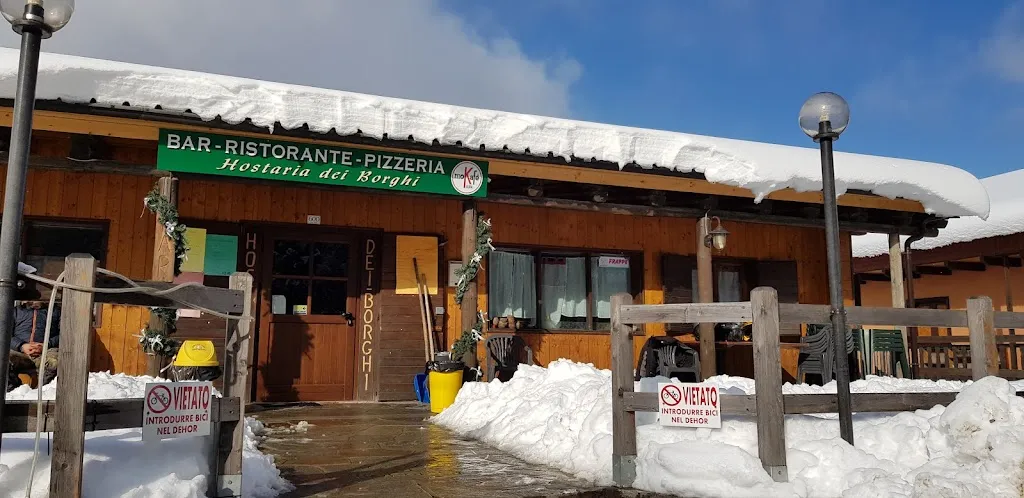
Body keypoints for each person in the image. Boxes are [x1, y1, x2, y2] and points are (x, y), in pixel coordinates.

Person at [8, 301, 61, 386]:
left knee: (56, 361)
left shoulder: (56, 311)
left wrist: (46, 345)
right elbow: (5, 334)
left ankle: (43, 391)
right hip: (19, 353)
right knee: (4, 360)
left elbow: (64, 334)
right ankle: (13, 393)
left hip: (47, 352)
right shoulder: (15, 311)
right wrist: (21, 346)